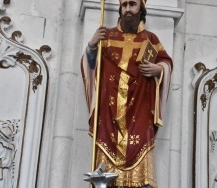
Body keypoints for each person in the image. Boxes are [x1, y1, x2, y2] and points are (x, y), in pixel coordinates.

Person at [81, 0, 173, 187]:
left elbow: (167, 63)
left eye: (133, 4)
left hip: (139, 108)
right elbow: (91, 65)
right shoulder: (106, 36)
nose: (128, 10)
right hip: (109, 113)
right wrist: (91, 46)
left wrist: (159, 69)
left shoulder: (151, 39)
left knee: (141, 153)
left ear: (141, 9)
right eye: (125, 5)